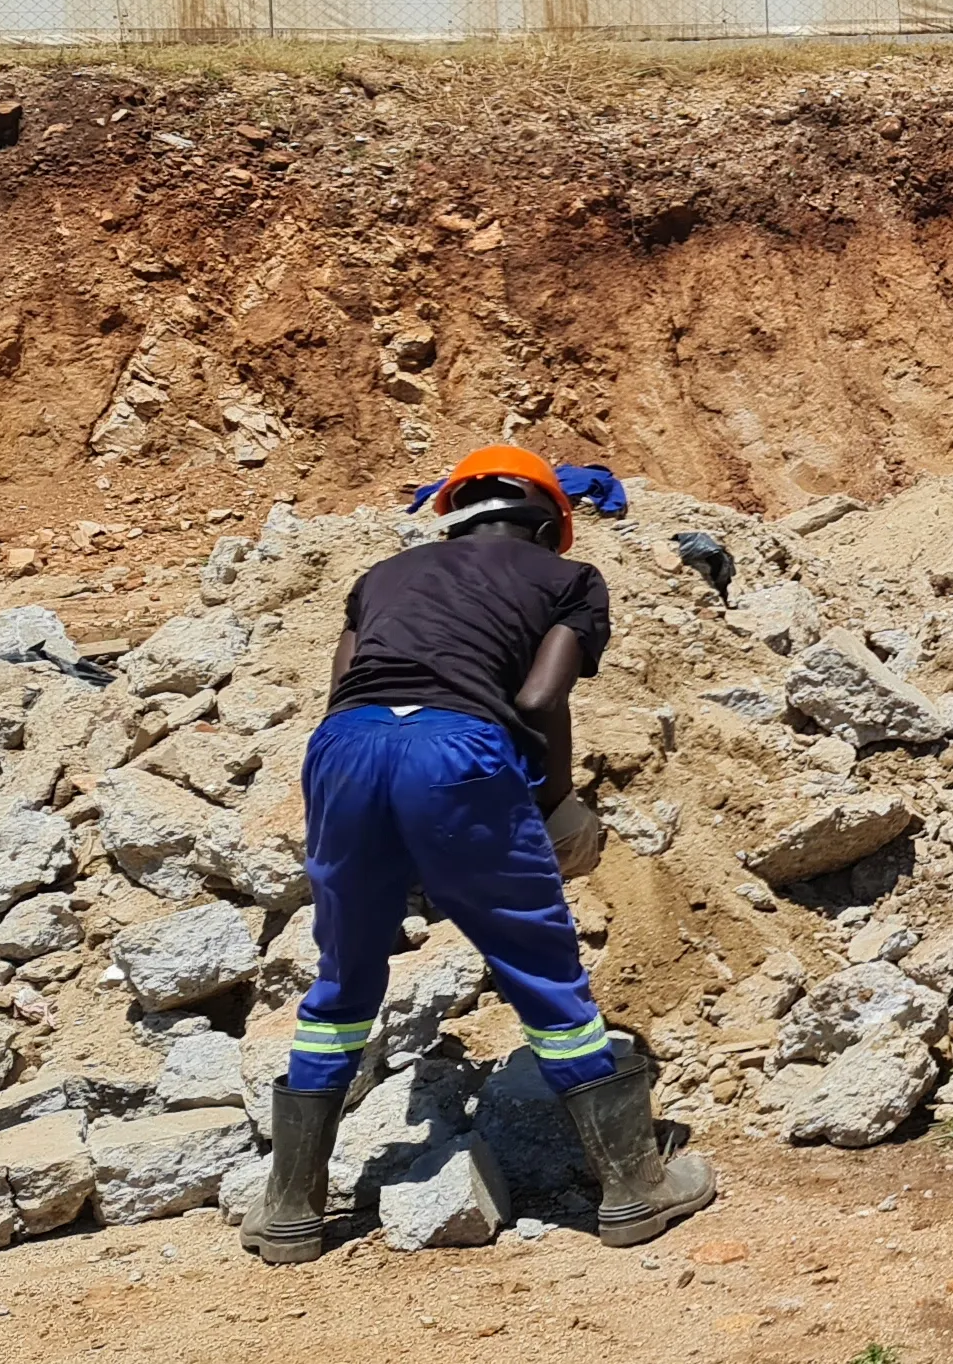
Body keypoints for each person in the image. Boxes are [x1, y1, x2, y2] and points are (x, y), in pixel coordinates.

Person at [250, 447, 715, 1264]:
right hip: (457, 748)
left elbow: (346, 687)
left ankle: (290, 1210)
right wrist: (544, 803)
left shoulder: (383, 575)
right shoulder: (567, 581)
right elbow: (538, 698)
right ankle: (634, 1189)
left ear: (458, 512)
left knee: (344, 974)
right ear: (547, 523)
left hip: (344, 750)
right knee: (538, 964)